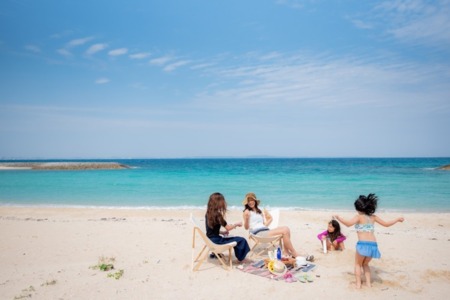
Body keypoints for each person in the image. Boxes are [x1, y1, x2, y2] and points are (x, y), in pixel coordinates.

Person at [333, 193, 404, 289]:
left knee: (358, 264)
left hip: (362, 244)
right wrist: (397, 219)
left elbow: (348, 224)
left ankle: (358, 285)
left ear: (358, 208)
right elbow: (386, 224)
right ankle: (369, 284)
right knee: (365, 264)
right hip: (373, 245)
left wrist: (338, 217)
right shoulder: (373, 217)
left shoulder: (358, 217)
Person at [242, 192, 312, 260]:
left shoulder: (259, 211)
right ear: (247, 203)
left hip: (265, 231)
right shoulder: (246, 212)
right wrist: (247, 219)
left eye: (252, 200)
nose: (251, 202)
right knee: (284, 231)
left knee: (286, 228)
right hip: (258, 234)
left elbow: (263, 225)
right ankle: (294, 253)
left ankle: (286, 252)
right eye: (249, 201)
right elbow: (246, 228)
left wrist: (270, 218)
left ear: (255, 201)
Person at [205, 192, 250, 262]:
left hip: (210, 240)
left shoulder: (208, 213)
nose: (224, 203)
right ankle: (241, 259)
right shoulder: (218, 215)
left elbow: (210, 230)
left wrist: (222, 232)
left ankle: (215, 253)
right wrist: (236, 224)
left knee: (234, 238)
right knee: (241, 240)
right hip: (217, 241)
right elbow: (228, 228)